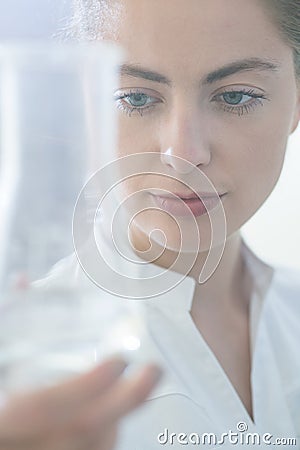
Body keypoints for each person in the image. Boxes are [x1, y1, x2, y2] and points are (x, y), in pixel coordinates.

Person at [1, 0, 300, 448]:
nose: (183, 153)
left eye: (235, 96)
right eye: (136, 98)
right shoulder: (28, 366)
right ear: (89, 103)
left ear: (296, 103)